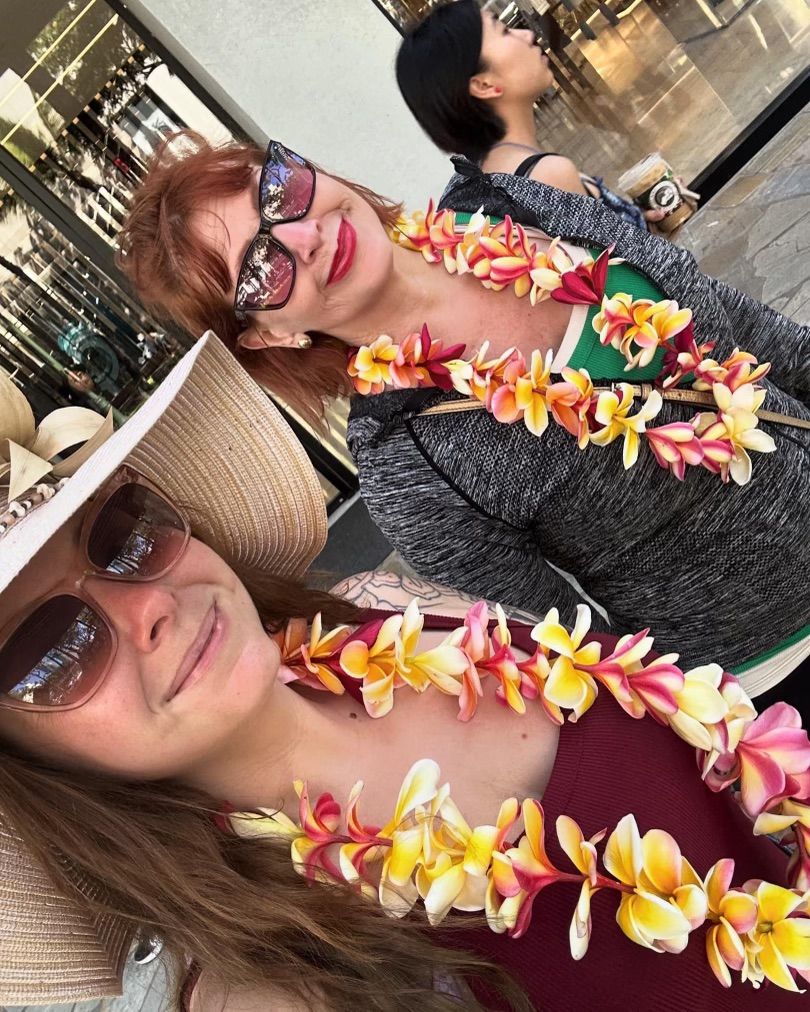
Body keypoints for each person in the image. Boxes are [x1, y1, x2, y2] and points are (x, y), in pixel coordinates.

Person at [1, 333, 808, 1012]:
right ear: (23, 761)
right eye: (48, 647)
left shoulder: (383, 604)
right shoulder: (274, 988)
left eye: (123, 534)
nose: (146, 609)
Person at [116, 133, 810, 718]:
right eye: (261, 270)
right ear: (269, 337)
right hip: (777, 662)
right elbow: (575, 652)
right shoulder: (412, 465)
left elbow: (744, 329)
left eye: (279, 191)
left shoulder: (510, 206)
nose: (306, 235)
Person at [395, 0, 691, 232]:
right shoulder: (546, 175)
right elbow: (630, 287)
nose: (526, 34)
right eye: (504, 31)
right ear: (483, 84)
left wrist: (645, 225)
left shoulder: (483, 186)